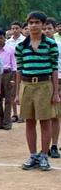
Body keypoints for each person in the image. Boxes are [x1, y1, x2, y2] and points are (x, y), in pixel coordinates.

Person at [15, 11, 59, 171]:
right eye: (30, 23)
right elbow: (19, 70)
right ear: (27, 25)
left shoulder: (50, 45)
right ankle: (33, 155)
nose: (33, 25)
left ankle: (44, 156)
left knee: (45, 121)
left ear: (42, 24)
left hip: (44, 85)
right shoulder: (21, 46)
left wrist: (55, 92)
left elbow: (54, 69)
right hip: (26, 85)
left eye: (37, 22)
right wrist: (17, 93)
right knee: (29, 121)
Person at [43, 17, 61, 158]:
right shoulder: (38, 46)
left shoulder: (58, 45)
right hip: (43, 82)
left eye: (49, 28)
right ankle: (45, 147)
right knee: (44, 117)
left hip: (58, 81)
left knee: (56, 115)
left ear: (55, 30)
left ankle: (54, 145)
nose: (46, 31)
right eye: (44, 28)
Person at [0, 29, 17, 130]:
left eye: (1, 38)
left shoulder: (10, 49)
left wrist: (13, 79)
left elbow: (14, 65)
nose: (0, 40)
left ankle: (7, 122)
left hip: (8, 74)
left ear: (5, 38)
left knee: (8, 99)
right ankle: (0, 122)